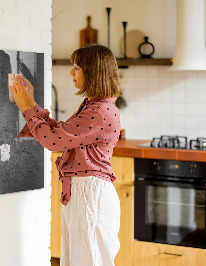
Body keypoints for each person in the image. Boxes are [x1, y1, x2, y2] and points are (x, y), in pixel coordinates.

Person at [9, 44, 122, 266]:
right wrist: (31, 103)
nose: (71, 72)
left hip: (90, 195)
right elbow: (61, 133)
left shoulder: (99, 111)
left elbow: (53, 141)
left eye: (77, 67)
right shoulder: (95, 106)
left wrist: (25, 108)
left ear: (93, 71)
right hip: (84, 193)